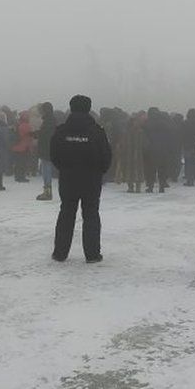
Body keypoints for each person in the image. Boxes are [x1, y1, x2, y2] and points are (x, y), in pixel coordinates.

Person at [50, 95, 112, 263]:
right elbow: (106, 156)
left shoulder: (62, 130)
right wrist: (99, 171)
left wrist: (64, 168)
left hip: (68, 178)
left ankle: (60, 252)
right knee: (91, 214)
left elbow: (54, 154)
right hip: (91, 179)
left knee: (66, 213)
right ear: (89, 108)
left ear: (71, 107)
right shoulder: (97, 131)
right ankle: (92, 254)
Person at [117, 112, 146, 193]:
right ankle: (131, 187)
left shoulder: (140, 132)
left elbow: (144, 143)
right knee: (130, 170)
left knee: (136, 170)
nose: (136, 123)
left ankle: (136, 187)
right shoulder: (128, 132)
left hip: (136, 154)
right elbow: (122, 143)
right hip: (129, 154)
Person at [35, 102, 57, 201]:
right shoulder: (51, 119)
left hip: (46, 149)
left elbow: (44, 135)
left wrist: (34, 134)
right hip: (50, 147)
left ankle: (47, 192)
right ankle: (47, 191)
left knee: (46, 169)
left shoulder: (48, 121)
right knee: (47, 168)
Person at [12, 111, 33, 183]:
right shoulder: (27, 125)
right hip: (24, 147)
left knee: (18, 163)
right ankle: (21, 177)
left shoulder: (18, 124)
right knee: (23, 163)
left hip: (16, 146)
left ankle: (17, 176)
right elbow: (29, 137)